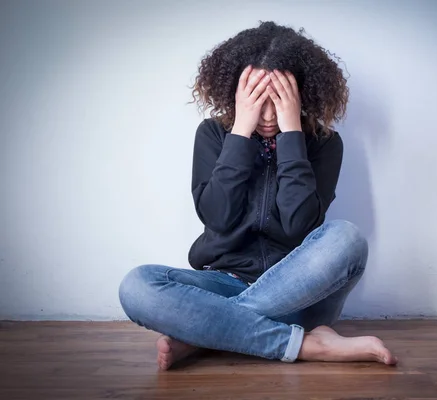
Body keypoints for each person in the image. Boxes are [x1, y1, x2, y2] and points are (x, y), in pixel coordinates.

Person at [119, 21, 397, 371]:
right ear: (236, 94)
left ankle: (203, 333)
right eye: (256, 102)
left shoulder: (324, 144)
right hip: (223, 283)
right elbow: (217, 218)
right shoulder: (214, 136)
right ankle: (305, 344)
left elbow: (298, 228)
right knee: (136, 286)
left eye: (277, 102)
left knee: (348, 238)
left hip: (302, 294)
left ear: (300, 97)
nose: (267, 116)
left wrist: (292, 133)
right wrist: (239, 133)